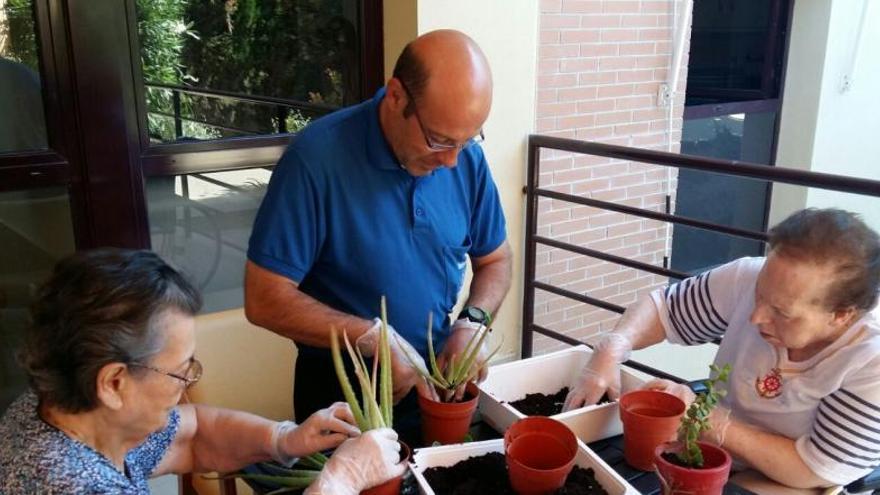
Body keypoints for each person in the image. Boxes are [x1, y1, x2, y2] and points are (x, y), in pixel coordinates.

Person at [245, 29, 512, 443]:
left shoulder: (465, 160)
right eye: (440, 140)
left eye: (468, 139)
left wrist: (472, 324)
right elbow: (263, 299)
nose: (451, 160)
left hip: (438, 387)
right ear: (396, 97)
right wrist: (372, 337)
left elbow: (495, 260)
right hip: (344, 402)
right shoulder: (315, 161)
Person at [0, 249, 404, 494]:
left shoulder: (61, 409)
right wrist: (341, 481)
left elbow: (191, 435)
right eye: (179, 373)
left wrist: (286, 439)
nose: (188, 385)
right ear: (113, 382)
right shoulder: (68, 484)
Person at [563, 208, 880, 490]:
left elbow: (815, 468)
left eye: (781, 312)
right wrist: (614, 347)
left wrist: (709, 423)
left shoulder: (870, 358)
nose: (757, 317)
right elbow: (664, 310)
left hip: (790, 478)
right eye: (759, 295)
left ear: (842, 315)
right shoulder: (752, 277)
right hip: (710, 450)